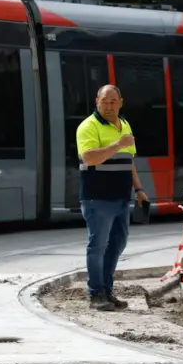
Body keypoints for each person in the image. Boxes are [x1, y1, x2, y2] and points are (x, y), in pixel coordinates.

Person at [76, 84, 149, 311]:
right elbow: (89, 158)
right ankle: (95, 293)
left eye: (113, 101)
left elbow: (129, 162)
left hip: (121, 200)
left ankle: (107, 290)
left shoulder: (124, 124)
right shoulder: (88, 126)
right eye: (104, 101)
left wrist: (138, 189)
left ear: (121, 102)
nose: (109, 105)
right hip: (97, 199)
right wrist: (117, 144)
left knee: (117, 245)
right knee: (97, 246)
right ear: (96, 101)